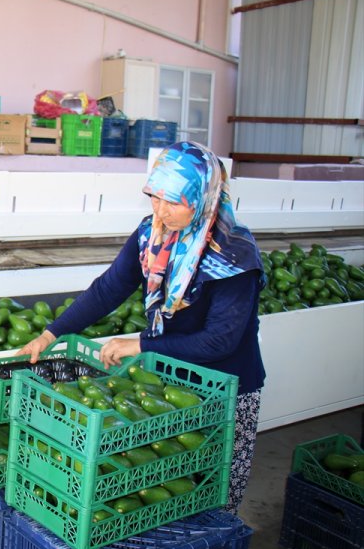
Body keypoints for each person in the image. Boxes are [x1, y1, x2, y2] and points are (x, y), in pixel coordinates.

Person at [18, 141, 266, 514]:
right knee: (167, 488)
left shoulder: (233, 255)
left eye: (173, 202)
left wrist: (143, 345)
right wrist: (52, 333)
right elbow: (109, 289)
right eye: (155, 197)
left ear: (203, 197)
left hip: (225, 390)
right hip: (170, 380)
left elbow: (220, 341)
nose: (161, 211)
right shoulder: (152, 234)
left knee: (211, 496)